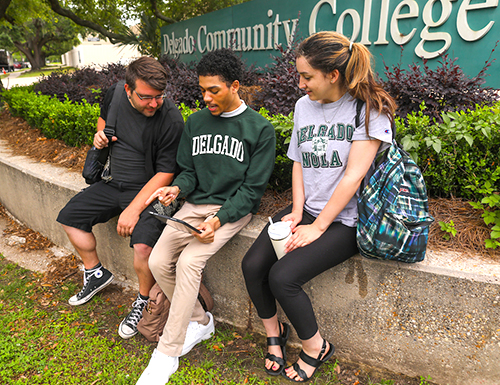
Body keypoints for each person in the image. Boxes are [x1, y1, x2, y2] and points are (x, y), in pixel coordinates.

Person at [241, 31, 397, 382]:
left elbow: (353, 177)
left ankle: (316, 347)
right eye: (299, 76)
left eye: (307, 77)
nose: (300, 84)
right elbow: (298, 161)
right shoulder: (303, 107)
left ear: (333, 75)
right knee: (252, 265)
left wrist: (318, 226)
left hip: (345, 221)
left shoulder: (368, 111)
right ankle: (274, 334)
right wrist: (297, 211)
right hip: (307, 209)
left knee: (283, 277)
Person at [135, 48, 276, 385]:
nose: (206, 97)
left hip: (229, 211)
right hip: (193, 207)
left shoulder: (260, 129)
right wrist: (177, 191)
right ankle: (200, 320)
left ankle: (166, 354)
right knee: (157, 261)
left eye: (214, 90)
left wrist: (218, 219)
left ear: (235, 85)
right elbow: (188, 173)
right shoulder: (196, 122)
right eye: (202, 90)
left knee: (188, 263)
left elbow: (251, 191)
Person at [56, 56, 184, 340]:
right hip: (113, 183)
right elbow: (103, 120)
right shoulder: (114, 93)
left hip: (150, 190)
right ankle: (95, 272)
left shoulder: (171, 118)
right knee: (70, 217)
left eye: (159, 97)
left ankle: (142, 300)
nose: (154, 104)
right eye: (146, 97)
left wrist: (133, 210)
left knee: (143, 248)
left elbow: (165, 173)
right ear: (128, 90)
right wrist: (100, 135)